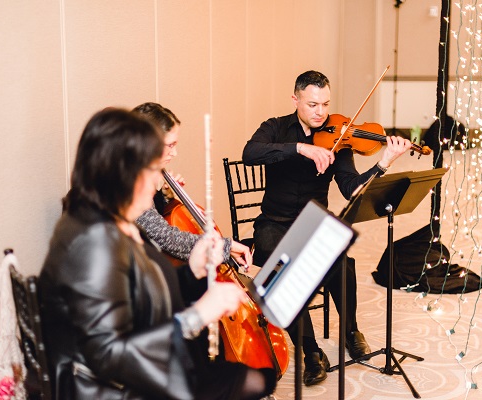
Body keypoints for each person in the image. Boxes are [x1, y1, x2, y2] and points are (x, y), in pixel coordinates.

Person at [38, 108, 276, 399]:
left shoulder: (109, 221)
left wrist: (193, 271)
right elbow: (108, 355)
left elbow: (142, 295)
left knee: (254, 378)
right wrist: (197, 315)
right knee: (249, 380)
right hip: (114, 389)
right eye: (152, 171)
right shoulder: (93, 242)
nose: (157, 183)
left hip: (145, 368)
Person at [242, 70, 412, 386]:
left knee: (342, 263)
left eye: (325, 104)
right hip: (274, 223)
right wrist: (300, 148)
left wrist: (383, 162)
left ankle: (350, 330)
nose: (321, 112)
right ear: (295, 100)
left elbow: (352, 189)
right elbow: (250, 153)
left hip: (314, 223)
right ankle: (310, 350)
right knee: (282, 275)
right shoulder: (276, 127)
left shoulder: (339, 136)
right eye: (312, 104)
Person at [133, 102, 253, 270]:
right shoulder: (130, 183)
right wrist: (224, 246)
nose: (174, 153)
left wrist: (164, 197)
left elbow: (147, 222)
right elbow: (167, 238)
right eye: (170, 145)